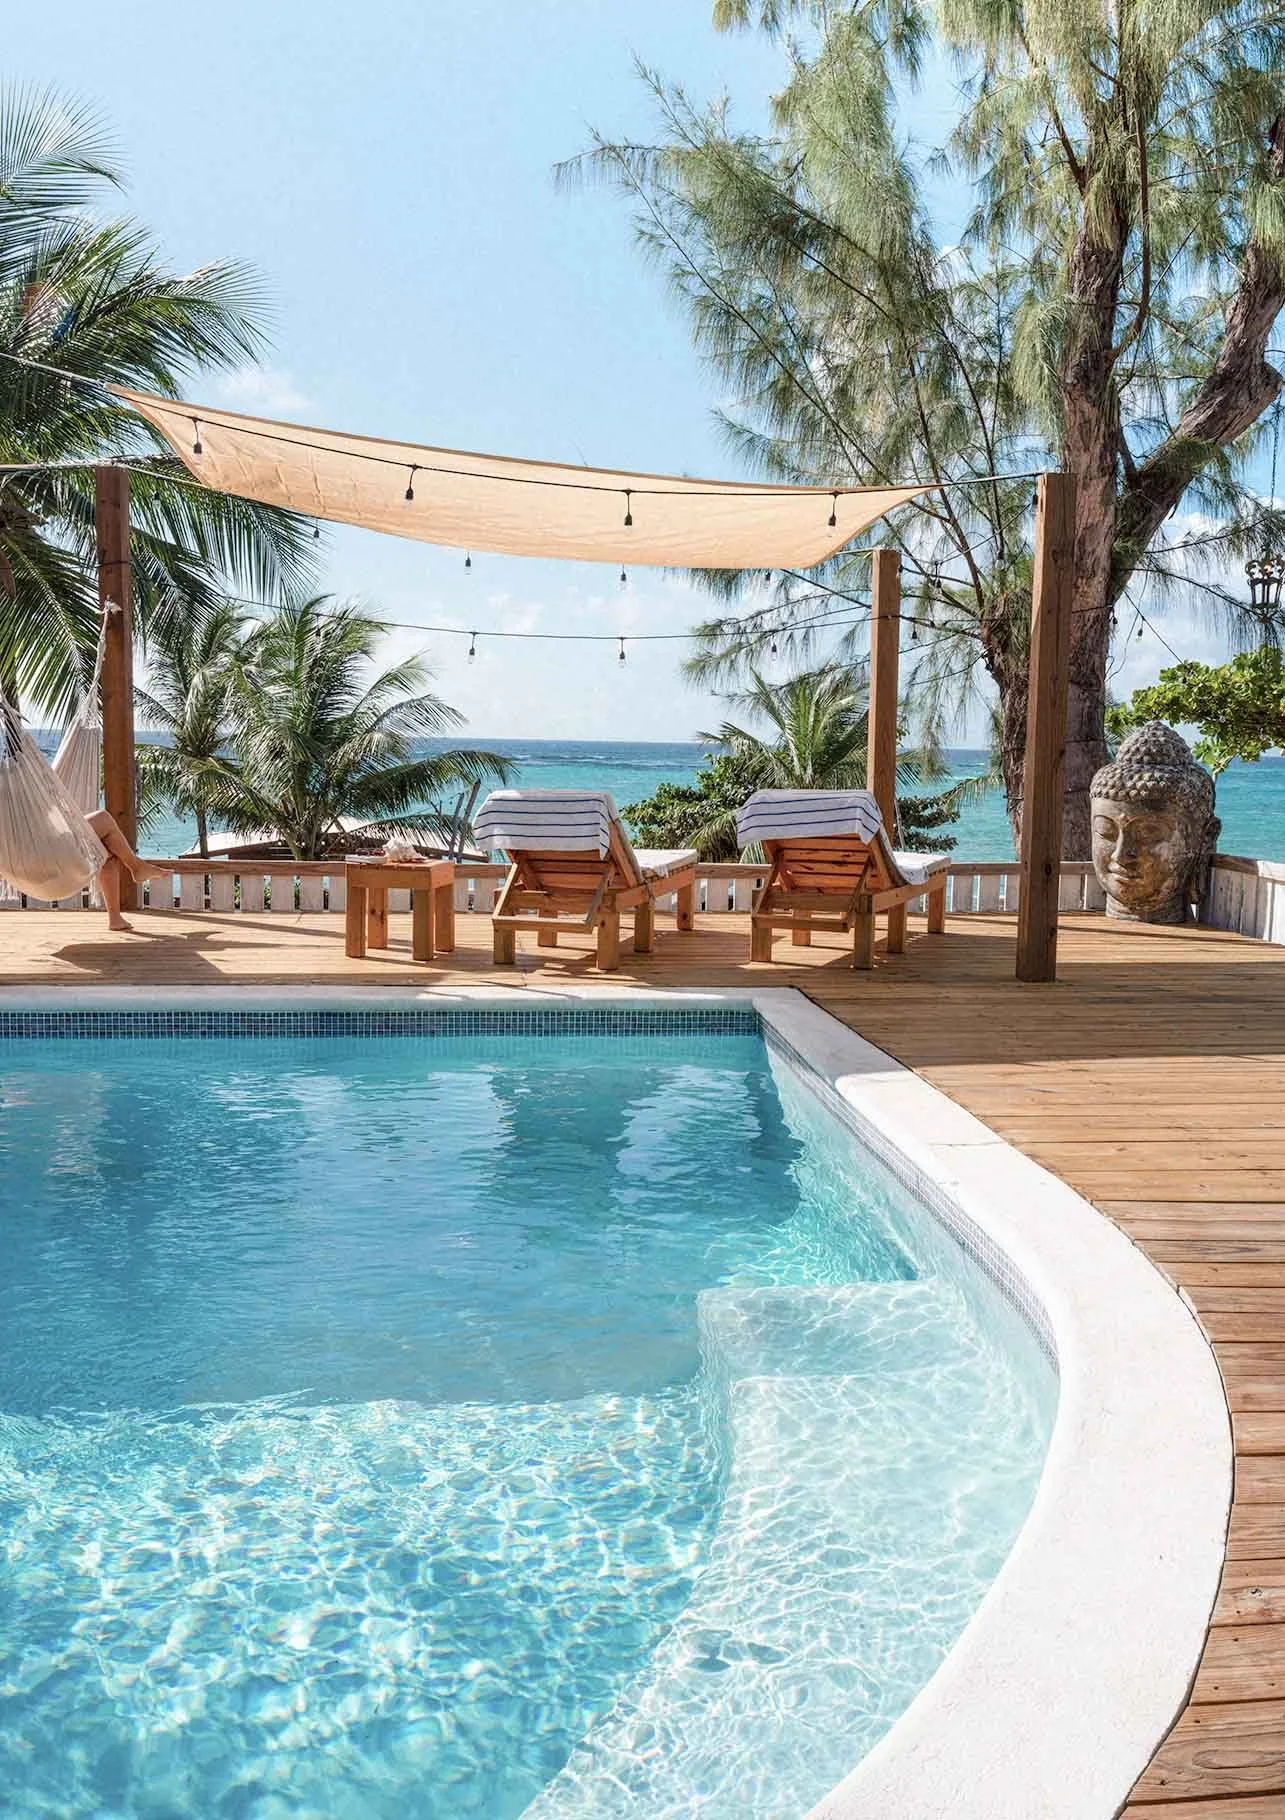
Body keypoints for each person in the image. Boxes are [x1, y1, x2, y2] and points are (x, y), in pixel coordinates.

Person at [88, 810, 172, 931]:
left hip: (55, 849)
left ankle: (115, 919)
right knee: (103, 818)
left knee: (107, 850)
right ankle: (137, 867)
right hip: (55, 846)